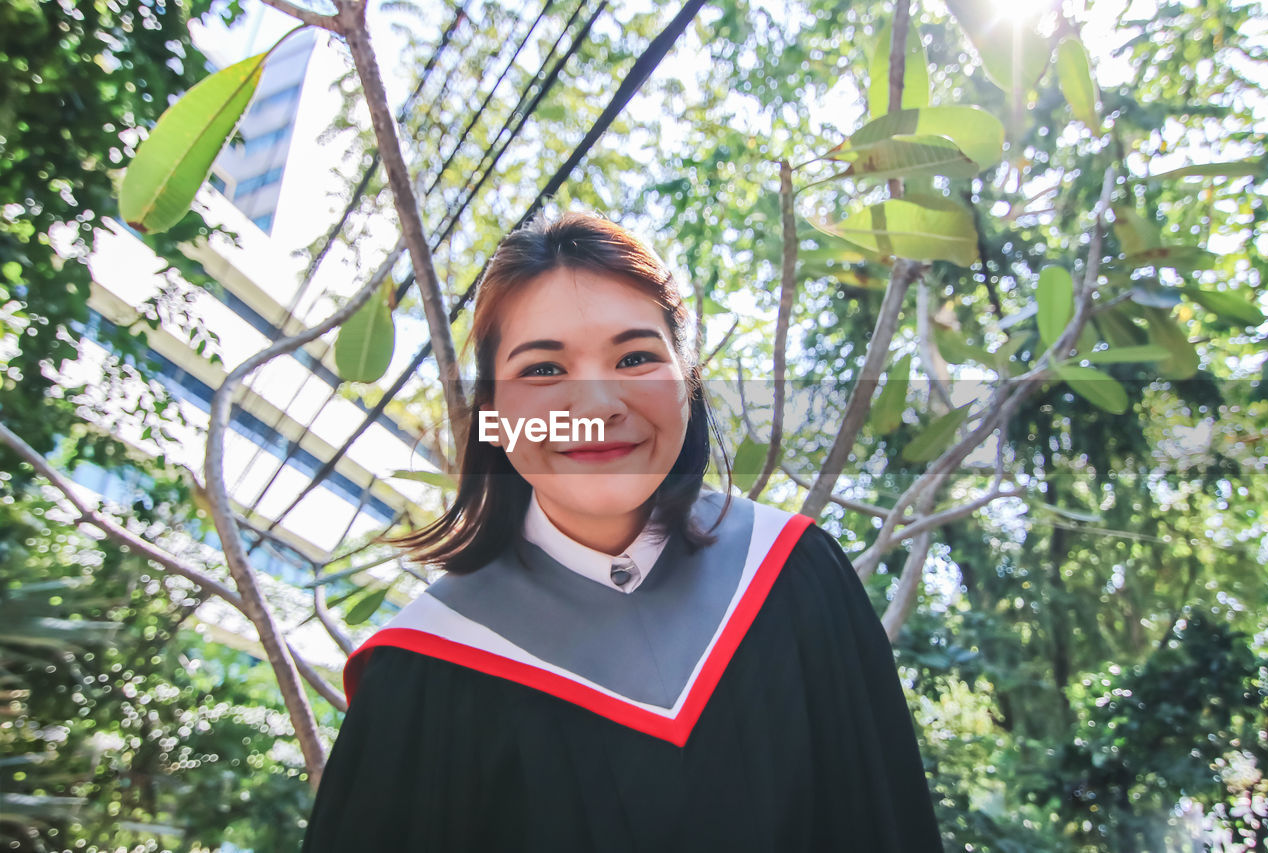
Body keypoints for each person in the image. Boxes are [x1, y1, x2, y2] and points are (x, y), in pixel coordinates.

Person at [299, 211, 945, 852]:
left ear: (688, 382)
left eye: (635, 357)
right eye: (544, 370)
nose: (599, 407)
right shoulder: (425, 671)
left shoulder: (795, 578)